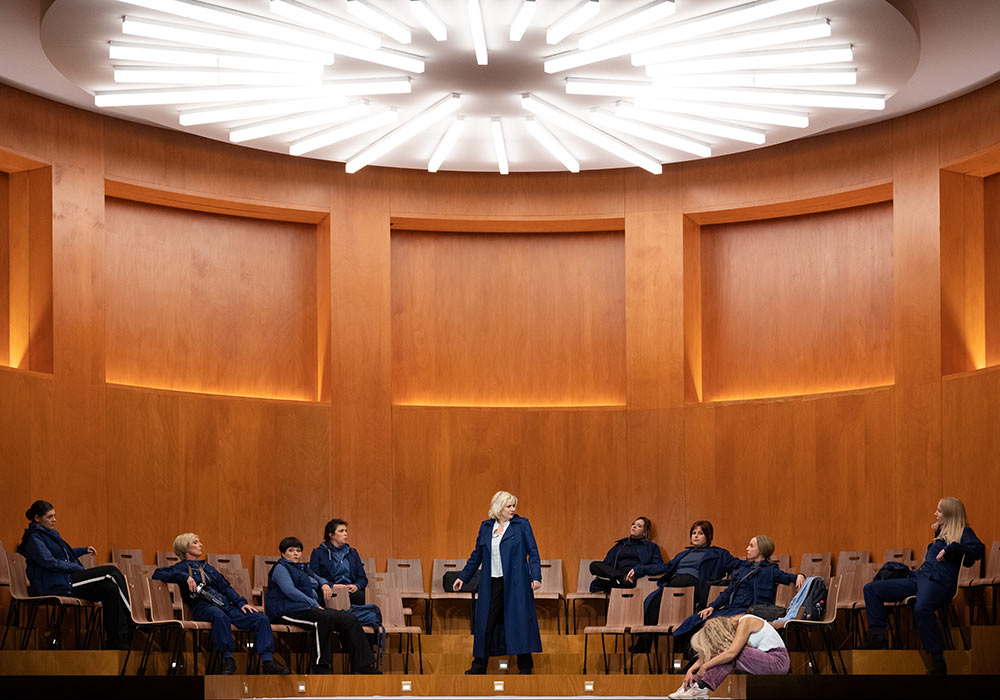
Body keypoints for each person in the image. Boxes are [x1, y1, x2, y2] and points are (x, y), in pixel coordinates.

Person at [862, 497, 985, 674]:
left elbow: (978, 550)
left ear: (950, 514)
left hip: (939, 582)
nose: (935, 514)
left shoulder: (964, 532)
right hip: (919, 577)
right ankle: (879, 638)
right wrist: (940, 533)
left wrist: (951, 548)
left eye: (939, 511)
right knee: (871, 589)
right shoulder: (942, 533)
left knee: (921, 608)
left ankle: (938, 660)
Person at [153, 533, 288, 675]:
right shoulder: (180, 568)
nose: (201, 545)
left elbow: (226, 587)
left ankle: (267, 661)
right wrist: (185, 576)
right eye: (195, 542)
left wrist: (241, 603)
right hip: (203, 607)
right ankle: (228, 659)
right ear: (185, 547)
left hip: (225, 606)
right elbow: (157, 574)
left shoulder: (207, 567)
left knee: (260, 618)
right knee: (219, 616)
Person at [17, 500, 133, 650]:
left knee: (110, 588)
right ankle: (132, 618)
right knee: (111, 572)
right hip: (53, 585)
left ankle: (116, 641)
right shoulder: (33, 538)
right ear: (37, 519)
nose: (54, 520)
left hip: (64, 579)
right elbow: (49, 562)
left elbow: (64, 553)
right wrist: (76, 568)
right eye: (50, 517)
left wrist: (83, 550)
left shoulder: (50, 534)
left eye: (54, 516)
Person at [453, 490, 542, 675]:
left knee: (519, 623)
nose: (513, 509)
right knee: (485, 624)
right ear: (499, 507)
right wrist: (463, 577)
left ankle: (525, 667)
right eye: (509, 506)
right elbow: (476, 555)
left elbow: (533, 552)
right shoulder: (486, 527)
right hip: (491, 584)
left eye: (514, 506)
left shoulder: (521, 525)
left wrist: (536, 577)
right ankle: (479, 666)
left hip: (516, 584)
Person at [266, 537, 378, 674]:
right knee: (324, 618)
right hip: (285, 611)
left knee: (350, 618)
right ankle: (321, 666)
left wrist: (325, 584)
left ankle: (362, 666)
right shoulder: (280, 568)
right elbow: (290, 591)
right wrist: (314, 603)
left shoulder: (302, 567)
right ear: (283, 554)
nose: (296, 553)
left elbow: (319, 578)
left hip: (306, 608)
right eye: (291, 550)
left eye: (298, 550)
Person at [625, 520, 742, 652]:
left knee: (681, 592)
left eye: (700, 533)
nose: (696, 536)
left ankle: (681, 644)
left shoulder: (719, 554)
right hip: (672, 585)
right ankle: (644, 643)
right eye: (693, 533)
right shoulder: (683, 554)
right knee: (652, 601)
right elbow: (665, 567)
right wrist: (639, 569)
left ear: (708, 536)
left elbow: (738, 565)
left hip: (695, 587)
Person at [671, 535, 804, 648]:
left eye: (751, 546)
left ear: (762, 550)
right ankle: (690, 656)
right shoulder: (743, 569)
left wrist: (799, 575)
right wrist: (711, 607)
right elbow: (728, 592)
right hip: (732, 608)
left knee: (715, 624)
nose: (747, 549)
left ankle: (701, 661)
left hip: (749, 611)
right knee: (698, 619)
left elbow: (788, 577)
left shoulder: (770, 570)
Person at [667, 614, 790, 699]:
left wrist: (704, 667)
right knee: (724, 654)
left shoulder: (746, 621)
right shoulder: (736, 627)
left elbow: (731, 653)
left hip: (777, 661)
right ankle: (693, 686)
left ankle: (701, 687)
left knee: (732, 654)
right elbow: (717, 651)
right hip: (766, 661)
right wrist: (691, 670)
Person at [589, 517, 662, 593]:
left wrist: (640, 569)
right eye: (633, 524)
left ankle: (624, 580)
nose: (634, 526)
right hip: (618, 579)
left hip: (636, 580)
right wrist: (616, 576)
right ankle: (622, 579)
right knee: (594, 565)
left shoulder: (651, 547)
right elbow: (606, 564)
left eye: (639, 526)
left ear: (645, 533)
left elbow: (659, 566)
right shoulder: (620, 545)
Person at [310, 518, 368, 606]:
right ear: (331, 535)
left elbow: (362, 578)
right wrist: (332, 586)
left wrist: (356, 586)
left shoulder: (352, 553)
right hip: (330, 590)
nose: (345, 534)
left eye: (346, 531)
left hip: (350, 592)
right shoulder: (318, 553)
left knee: (361, 596)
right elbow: (314, 577)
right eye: (341, 531)